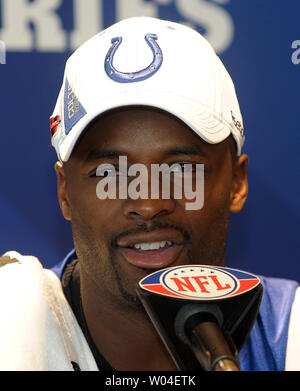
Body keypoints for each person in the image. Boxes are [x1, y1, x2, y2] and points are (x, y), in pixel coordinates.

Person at [0, 16, 299, 372]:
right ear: (65, 192)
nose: (149, 203)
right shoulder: (12, 330)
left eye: (181, 169)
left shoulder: (291, 337)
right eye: (110, 173)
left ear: (236, 182)